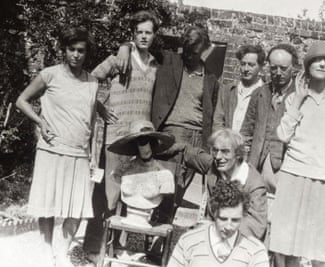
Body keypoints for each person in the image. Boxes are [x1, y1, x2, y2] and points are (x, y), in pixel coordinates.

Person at [15, 26, 98, 267]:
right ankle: (46, 250)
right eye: (71, 49)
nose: (76, 55)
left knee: (77, 208)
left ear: (86, 52)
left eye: (81, 50)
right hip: (51, 149)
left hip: (79, 152)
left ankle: (63, 252)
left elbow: (91, 120)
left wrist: (91, 153)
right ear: (64, 50)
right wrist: (40, 121)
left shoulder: (92, 82)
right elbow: (21, 100)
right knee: (47, 204)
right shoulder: (50, 74)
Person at [269, 41, 325, 267]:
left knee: (322, 253)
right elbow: (283, 135)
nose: (322, 64)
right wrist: (297, 99)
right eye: (317, 59)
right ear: (307, 65)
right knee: (287, 248)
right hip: (294, 176)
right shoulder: (293, 98)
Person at [84, 10, 160, 264]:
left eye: (148, 32)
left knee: (133, 197)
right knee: (108, 195)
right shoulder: (118, 59)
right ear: (132, 34)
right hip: (116, 137)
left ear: (154, 35)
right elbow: (89, 80)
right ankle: (95, 249)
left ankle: (120, 248)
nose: (143, 36)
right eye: (139, 32)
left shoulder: (156, 66)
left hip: (140, 140)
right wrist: (101, 107)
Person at [152, 25, 219, 223]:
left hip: (197, 137)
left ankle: (160, 242)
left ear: (204, 50)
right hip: (171, 133)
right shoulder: (170, 61)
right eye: (187, 51)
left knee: (178, 193)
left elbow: (212, 111)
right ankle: (154, 237)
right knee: (164, 189)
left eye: (195, 53)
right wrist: (123, 48)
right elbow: (144, 45)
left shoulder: (211, 77)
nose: (190, 56)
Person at [173, 128, 267, 240]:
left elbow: (255, 228)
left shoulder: (253, 184)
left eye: (225, 151)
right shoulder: (215, 166)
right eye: (215, 150)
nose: (218, 157)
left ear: (238, 154)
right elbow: (189, 153)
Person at [167, 179, 269, 267]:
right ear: (214, 212)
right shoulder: (189, 242)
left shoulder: (255, 252)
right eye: (223, 219)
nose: (229, 227)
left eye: (235, 220)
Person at [240, 43, 298, 193]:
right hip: (255, 164)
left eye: (283, 68)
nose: (278, 73)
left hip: (283, 167)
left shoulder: (300, 97)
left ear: (293, 68)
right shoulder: (259, 93)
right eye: (273, 68)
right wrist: (244, 163)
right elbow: (246, 132)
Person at [106, 120, 176, 227]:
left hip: (145, 218)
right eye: (141, 142)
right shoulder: (122, 170)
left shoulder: (164, 175)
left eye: (148, 141)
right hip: (128, 216)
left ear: (154, 143)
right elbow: (116, 177)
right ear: (134, 145)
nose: (145, 147)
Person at [213, 44, 266, 133]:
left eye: (251, 65)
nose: (246, 69)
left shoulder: (265, 93)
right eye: (243, 64)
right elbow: (218, 120)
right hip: (225, 142)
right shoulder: (228, 90)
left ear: (260, 66)